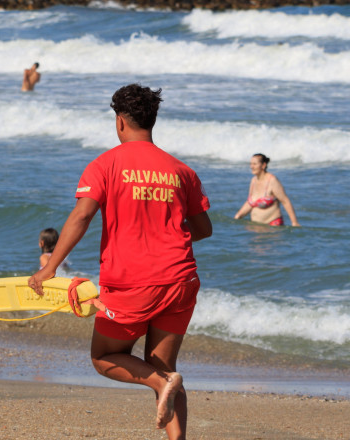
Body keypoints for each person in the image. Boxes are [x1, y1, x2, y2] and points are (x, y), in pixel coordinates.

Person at [28, 84, 212, 439]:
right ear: (152, 120)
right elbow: (203, 229)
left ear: (120, 122)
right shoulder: (181, 171)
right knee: (164, 366)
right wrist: (163, 230)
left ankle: (161, 383)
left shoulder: (105, 165)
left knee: (104, 358)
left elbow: (82, 215)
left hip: (132, 283)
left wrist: (50, 267)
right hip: (180, 280)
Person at [233, 153, 300, 226]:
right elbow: (250, 203)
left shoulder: (272, 180)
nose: (251, 166)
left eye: (254, 164)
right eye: (251, 164)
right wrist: (238, 216)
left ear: (263, 165)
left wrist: (294, 222)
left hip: (272, 226)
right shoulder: (253, 180)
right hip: (256, 227)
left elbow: (285, 201)